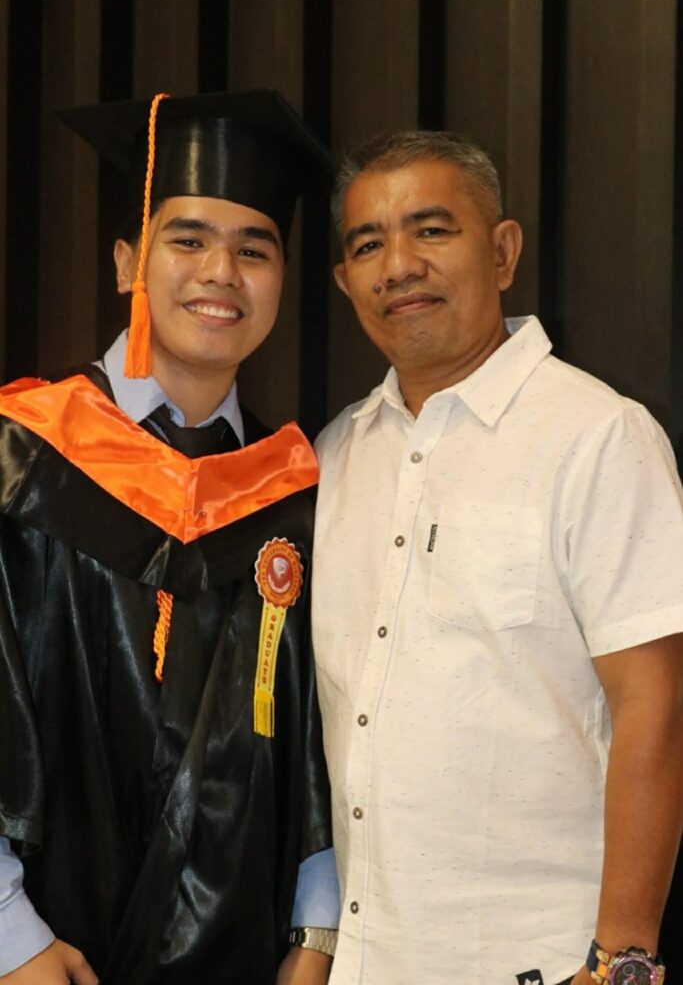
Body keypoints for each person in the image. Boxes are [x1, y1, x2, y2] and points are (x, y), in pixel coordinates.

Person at [311, 131, 683, 985]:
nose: (398, 264)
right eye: (368, 244)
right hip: (371, 961)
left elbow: (651, 704)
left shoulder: (595, 436)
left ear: (503, 251)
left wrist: (623, 958)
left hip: (541, 962)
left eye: (431, 231)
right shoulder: (333, 457)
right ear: (344, 283)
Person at [0, 90, 339, 985]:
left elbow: (321, 730)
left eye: (254, 248)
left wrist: (315, 934)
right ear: (126, 262)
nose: (221, 272)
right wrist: (7, 935)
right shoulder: (20, 455)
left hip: (246, 952)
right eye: (187, 239)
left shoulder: (292, 492)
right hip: (43, 948)